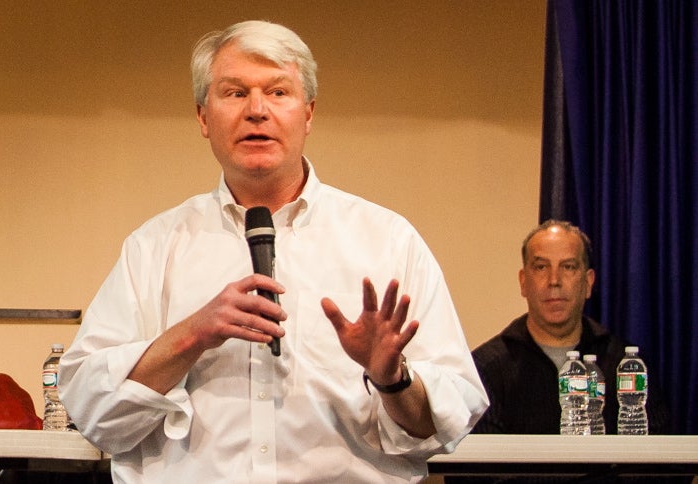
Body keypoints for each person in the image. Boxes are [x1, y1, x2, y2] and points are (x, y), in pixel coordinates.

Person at [59, 20, 488, 483]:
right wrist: (191, 336)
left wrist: (393, 378)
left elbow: (449, 423)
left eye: (278, 92)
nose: (257, 110)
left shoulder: (387, 240)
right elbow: (90, 409)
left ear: (308, 114)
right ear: (204, 117)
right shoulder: (155, 245)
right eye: (234, 92)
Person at [472, 219, 670, 435]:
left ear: (588, 282)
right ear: (523, 282)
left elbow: (660, 461)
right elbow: (476, 464)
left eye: (568, 267)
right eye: (541, 267)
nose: (554, 280)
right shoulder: (486, 368)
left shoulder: (625, 364)